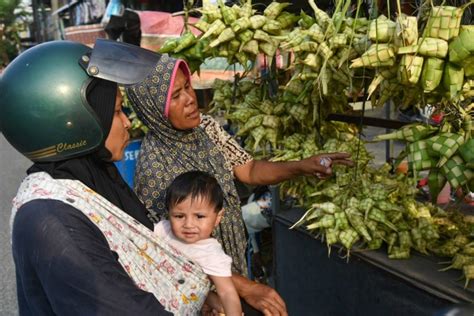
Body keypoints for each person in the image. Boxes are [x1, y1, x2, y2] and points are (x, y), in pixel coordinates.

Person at [1, 39, 287, 316]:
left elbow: (154, 246)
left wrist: (212, 294)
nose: (127, 122)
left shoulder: (93, 179)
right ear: (74, 125)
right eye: (115, 112)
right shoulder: (52, 222)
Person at [117, 40, 353, 276]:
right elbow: (172, 250)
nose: (190, 98)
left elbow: (248, 170)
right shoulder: (155, 166)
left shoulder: (207, 128)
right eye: (176, 96)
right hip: (203, 281)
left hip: (232, 260)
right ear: (154, 109)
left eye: (187, 87)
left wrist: (304, 166)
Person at [156, 170, 241, 316]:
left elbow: (227, 293)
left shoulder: (211, 254)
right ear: (169, 213)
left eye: (199, 216)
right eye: (179, 216)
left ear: (218, 217)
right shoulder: (163, 230)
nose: (189, 224)